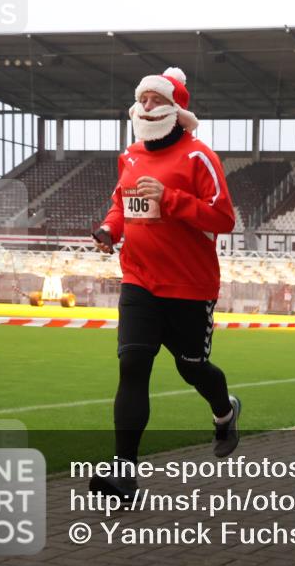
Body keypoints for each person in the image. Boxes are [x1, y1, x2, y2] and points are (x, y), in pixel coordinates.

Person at [89, 67, 241, 500]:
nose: (148, 105)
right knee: (132, 367)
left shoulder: (199, 157)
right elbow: (122, 203)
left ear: (175, 108)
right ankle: (124, 475)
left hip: (190, 287)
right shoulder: (131, 155)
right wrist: (108, 230)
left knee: (192, 367)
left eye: (156, 99)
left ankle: (224, 411)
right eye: (144, 99)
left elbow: (224, 219)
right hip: (139, 280)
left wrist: (170, 198)